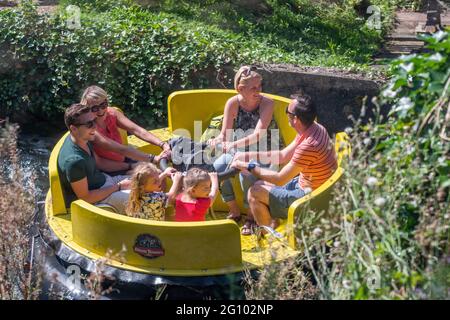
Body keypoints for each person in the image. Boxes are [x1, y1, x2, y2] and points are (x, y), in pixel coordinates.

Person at [231, 93, 337, 235]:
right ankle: (272, 223)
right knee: (259, 186)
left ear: (296, 119)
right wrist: (247, 155)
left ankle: (269, 236)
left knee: (253, 193)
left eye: (288, 111)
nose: (286, 112)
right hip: (310, 187)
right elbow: (282, 156)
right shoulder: (314, 128)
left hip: (309, 200)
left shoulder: (309, 145)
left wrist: (250, 167)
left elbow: (280, 178)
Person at [208, 66, 280, 223]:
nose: (258, 90)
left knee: (245, 173)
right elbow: (224, 134)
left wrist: (232, 144)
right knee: (217, 168)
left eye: (259, 86)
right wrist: (217, 141)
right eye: (253, 87)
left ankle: (250, 215)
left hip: (264, 151)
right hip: (239, 149)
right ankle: (233, 209)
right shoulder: (233, 103)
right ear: (240, 89)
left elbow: (258, 135)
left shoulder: (267, 103)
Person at [57, 103, 132, 213]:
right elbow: (86, 197)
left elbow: (100, 163)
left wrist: (130, 166)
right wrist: (119, 187)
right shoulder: (74, 161)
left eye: (94, 121)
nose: (95, 126)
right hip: (98, 199)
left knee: (148, 179)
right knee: (144, 198)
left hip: (105, 182)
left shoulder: (82, 139)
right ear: (73, 128)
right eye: (89, 124)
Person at [80, 85, 171, 167]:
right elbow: (120, 149)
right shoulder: (90, 128)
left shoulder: (112, 113)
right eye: (95, 108)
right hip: (110, 167)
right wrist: (153, 159)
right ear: (87, 109)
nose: (100, 111)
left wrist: (163, 144)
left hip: (124, 159)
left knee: (157, 174)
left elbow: (137, 130)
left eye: (103, 105)